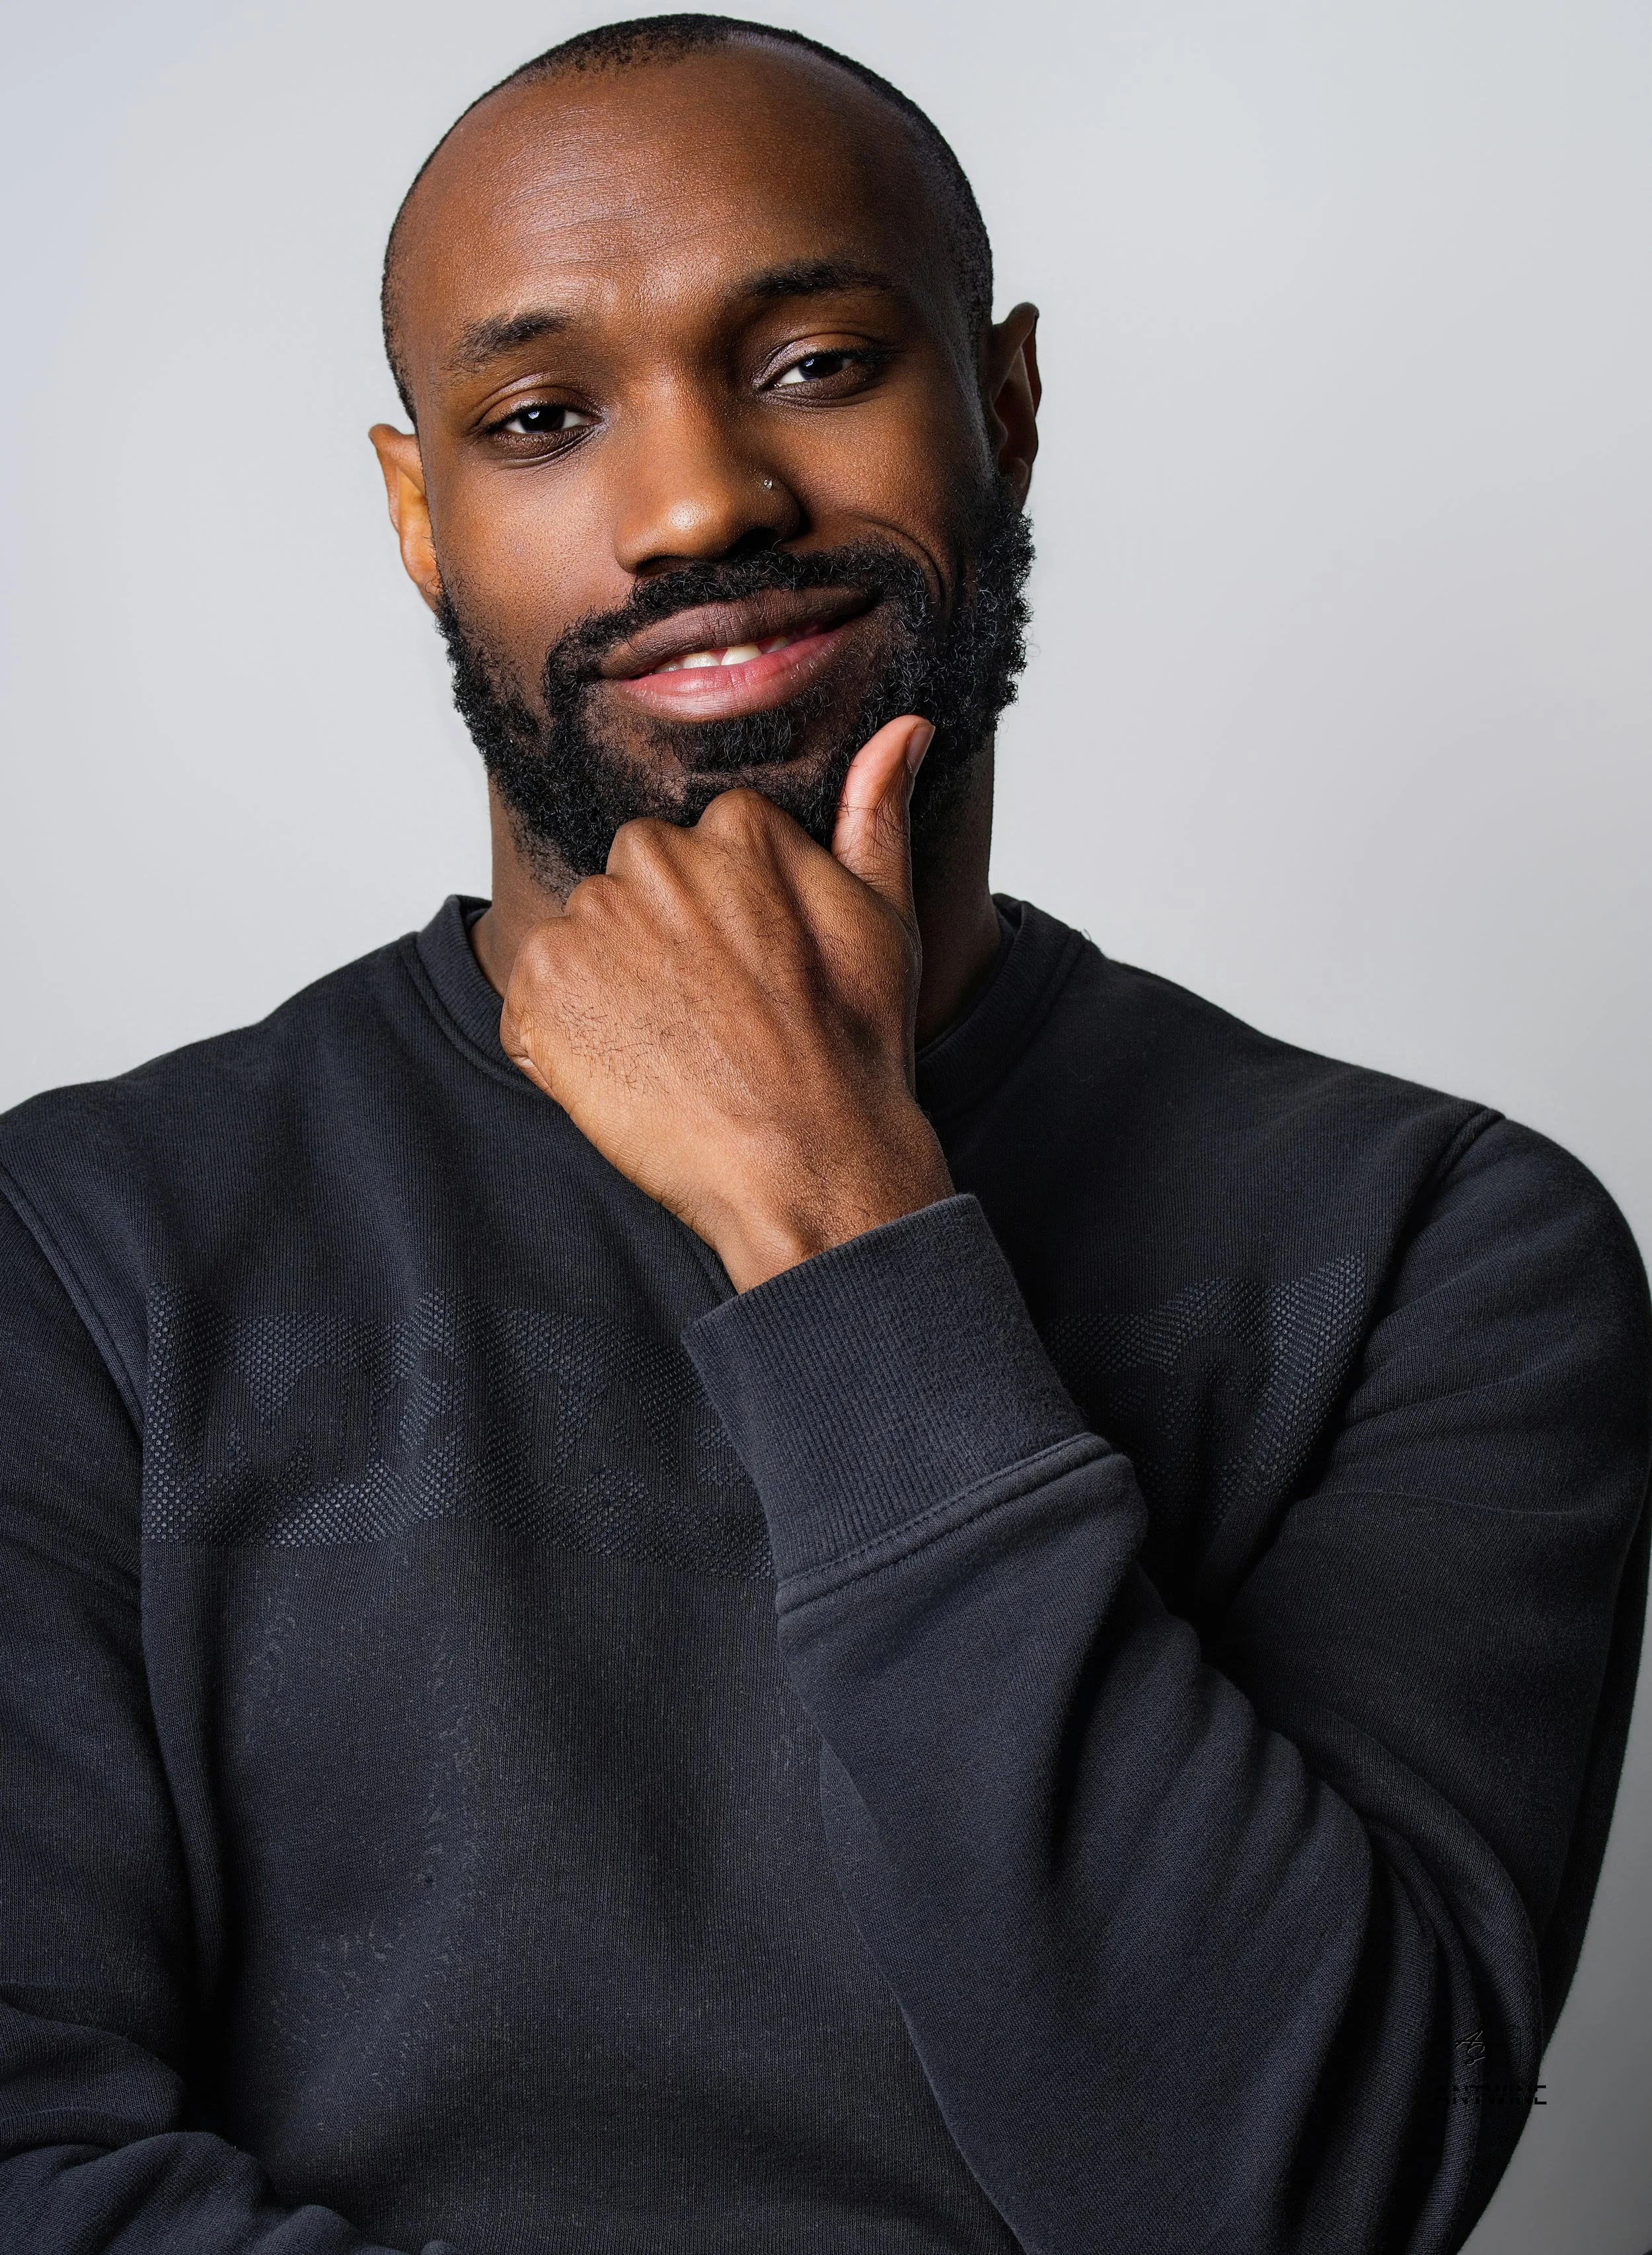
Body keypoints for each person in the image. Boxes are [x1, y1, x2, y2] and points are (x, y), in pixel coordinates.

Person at [0, 17, 1645, 2254]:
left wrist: (841, 1214)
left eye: (811, 365)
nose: (698, 504)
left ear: (1007, 405)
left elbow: (1284, 2189)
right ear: (416, 516)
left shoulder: (1435, 1249)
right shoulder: (86, 1251)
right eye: (541, 416)